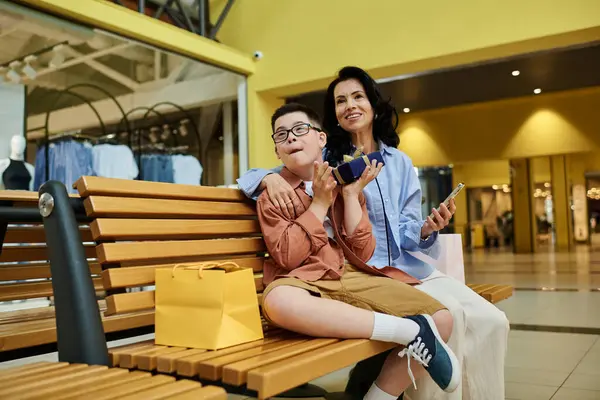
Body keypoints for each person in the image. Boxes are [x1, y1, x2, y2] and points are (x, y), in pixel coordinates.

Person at [238, 67, 509, 400]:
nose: (349, 105)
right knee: (279, 299)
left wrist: (425, 227)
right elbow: (279, 174)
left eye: (357, 97)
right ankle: (407, 337)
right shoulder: (332, 165)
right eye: (340, 100)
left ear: (374, 105)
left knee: (481, 320)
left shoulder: (391, 164)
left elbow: (373, 240)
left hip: (378, 269)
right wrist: (270, 178)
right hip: (338, 274)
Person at [257, 102, 460, 399]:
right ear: (277, 152)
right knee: (276, 300)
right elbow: (288, 257)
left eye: (300, 129)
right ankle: (409, 331)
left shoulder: (344, 185)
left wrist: (351, 196)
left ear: (321, 139)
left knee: (443, 319)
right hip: (302, 281)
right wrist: (319, 205)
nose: (290, 138)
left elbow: (363, 252)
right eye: (281, 135)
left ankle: (380, 395)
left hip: (350, 274)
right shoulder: (274, 195)